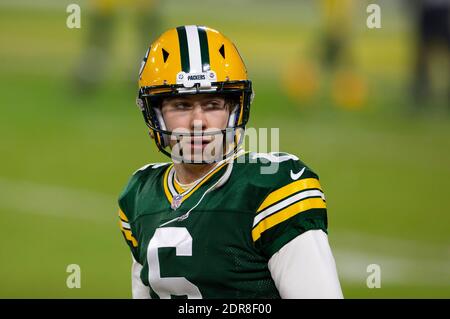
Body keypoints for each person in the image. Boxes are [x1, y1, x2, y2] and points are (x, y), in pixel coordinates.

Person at [118, 25, 343, 299]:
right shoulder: (141, 196)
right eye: (181, 105)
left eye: (212, 104)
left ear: (235, 111)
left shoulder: (272, 189)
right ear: (155, 115)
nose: (198, 122)